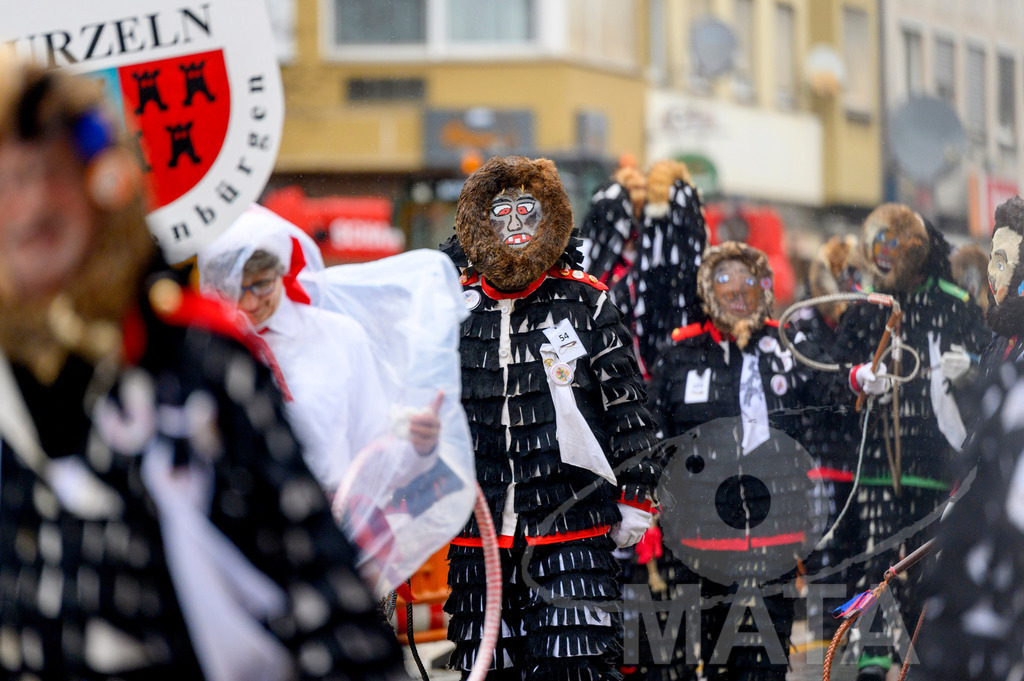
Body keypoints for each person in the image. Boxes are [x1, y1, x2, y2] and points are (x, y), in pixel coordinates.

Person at [0, 57, 410, 680]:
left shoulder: (196, 365)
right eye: (6, 179)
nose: (31, 205)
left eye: (47, 173)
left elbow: (328, 608)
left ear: (102, 184)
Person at [440, 155, 662, 680]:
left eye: (526, 209)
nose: (515, 223)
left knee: (573, 662)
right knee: (490, 666)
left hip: (571, 523)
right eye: (501, 212)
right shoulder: (453, 307)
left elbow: (627, 403)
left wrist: (635, 495)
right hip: (479, 532)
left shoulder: (586, 299)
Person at [643, 241, 854, 681]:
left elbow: (834, 391)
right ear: (708, 289)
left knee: (763, 664)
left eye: (749, 280)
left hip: (774, 542)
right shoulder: (681, 354)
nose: (738, 290)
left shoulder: (787, 344)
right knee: (702, 662)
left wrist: (859, 379)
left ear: (765, 287)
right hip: (698, 548)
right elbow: (653, 438)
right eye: (725, 280)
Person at [832, 203, 990, 681]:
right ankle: (872, 660)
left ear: (916, 250)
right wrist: (856, 378)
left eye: (893, 244)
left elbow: (993, 362)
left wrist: (974, 371)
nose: (884, 255)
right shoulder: (867, 306)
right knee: (875, 562)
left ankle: (925, 656)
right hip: (877, 460)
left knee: (931, 568)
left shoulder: (953, 302)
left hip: (938, 461)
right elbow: (833, 374)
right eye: (877, 245)